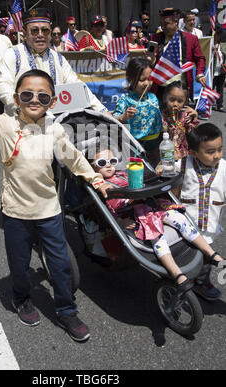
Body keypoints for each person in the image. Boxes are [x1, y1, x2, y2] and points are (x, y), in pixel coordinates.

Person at [0, 45, 112, 341]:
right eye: (27, 94)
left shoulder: (54, 130)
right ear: (16, 99)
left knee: (61, 265)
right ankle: (21, 298)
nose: (34, 100)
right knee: (19, 265)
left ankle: (66, 310)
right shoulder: (3, 124)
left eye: (42, 95)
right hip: (15, 213)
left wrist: (96, 179)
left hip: (50, 211)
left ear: (52, 101)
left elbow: (74, 159)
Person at [90, 146, 225, 291]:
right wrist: (127, 207)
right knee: (157, 235)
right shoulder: (104, 187)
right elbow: (112, 206)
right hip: (137, 216)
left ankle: (210, 253)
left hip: (153, 205)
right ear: (93, 167)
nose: (109, 165)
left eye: (113, 160)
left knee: (180, 218)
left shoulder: (125, 173)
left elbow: (145, 180)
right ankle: (176, 273)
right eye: (103, 162)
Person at [0, 8, 108, 115]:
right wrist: (20, 108)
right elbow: (3, 85)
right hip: (20, 123)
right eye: (34, 31)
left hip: (53, 124)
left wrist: (102, 110)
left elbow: (77, 85)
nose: (40, 35)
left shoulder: (58, 58)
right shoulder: (13, 54)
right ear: (24, 32)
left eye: (45, 30)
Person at [174, 123, 226, 300]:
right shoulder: (183, 164)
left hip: (209, 224)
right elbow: (166, 170)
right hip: (186, 224)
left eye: (220, 149)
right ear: (194, 153)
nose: (217, 155)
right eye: (210, 152)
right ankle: (180, 278)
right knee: (184, 254)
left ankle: (201, 283)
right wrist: (161, 167)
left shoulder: (224, 168)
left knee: (205, 259)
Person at [113, 58, 162, 166]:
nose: (146, 83)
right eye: (142, 80)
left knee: (155, 171)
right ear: (130, 80)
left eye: (149, 79)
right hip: (136, 145)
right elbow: (113, 119)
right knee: (138, 172)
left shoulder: (154, 98)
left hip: (155, 144)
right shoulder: (125, 101)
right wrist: (124, 116)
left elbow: (161, 118)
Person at [151, 8, 206, 101]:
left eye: (166, 24)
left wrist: (200, 73)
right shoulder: (155, 38)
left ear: (176, 22)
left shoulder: (191, 39)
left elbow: (200, 58)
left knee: (181, 115)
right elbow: (149, 62)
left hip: (181, 88)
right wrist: (150, 58)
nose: (162, 27)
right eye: (161, 24)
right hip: (160, 88)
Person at [160, 81, 199, 161]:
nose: (175, 104)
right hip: (165, 153)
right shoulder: (161, 115)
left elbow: (191, 133)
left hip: (183, 153)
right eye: (172, 100)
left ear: (185, 102)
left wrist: (194, 118)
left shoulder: (186, 116)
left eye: (180, 101)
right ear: (165, 98)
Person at [212, 28, 226, 112]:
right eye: (217, 34)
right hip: (213, 71)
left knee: (220, 89)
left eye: (220, 34)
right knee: (211, 88)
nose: (218, 36)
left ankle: (219, 105)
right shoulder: (210, 45)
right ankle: (206, 105)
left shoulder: (222, 45)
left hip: (221, 71)